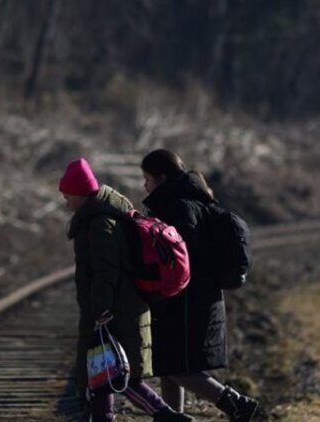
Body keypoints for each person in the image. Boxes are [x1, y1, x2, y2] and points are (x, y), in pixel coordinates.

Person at [59, 158, 193, 422]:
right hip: (118, 308)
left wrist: (101, 308)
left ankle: (168, 416)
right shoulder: (99, 217)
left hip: (117, 310)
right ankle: (155, 416)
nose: (66, 202)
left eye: (67, 196)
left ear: (79, 193)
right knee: (103, 374)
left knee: (118, 375)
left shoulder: (100, 224)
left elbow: (105, 271)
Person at [140, 149, 258, 422]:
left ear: (162, 177)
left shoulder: (180, 207)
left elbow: (182, 257)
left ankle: (235, 403)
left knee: (179, 368)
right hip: (191, 298)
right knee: (169, 365)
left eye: (147, 179)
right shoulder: (190, 200)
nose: (144, 185)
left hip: (189, 300)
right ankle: (174, 417)